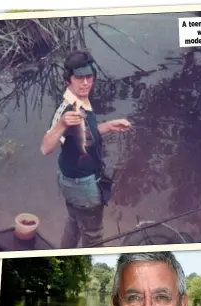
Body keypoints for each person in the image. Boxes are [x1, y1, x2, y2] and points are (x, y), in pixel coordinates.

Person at [40, 50, 131, 248]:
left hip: (75, 180)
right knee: (94, 236)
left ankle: (64, 255)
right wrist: (61, 125)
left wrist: (107, 127)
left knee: (74, 223)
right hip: (81, 185)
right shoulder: (66, 109)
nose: (85, 83)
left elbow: (82, 134)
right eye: (79, 78)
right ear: (68, 80)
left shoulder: (82, 99)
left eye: (89, 77)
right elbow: (45, 148)